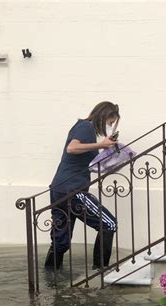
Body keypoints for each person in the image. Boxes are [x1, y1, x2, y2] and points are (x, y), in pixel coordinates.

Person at [45, 101, 119, 270]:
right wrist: (101, 145)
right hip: (72, 189)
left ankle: (51, 277)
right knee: (109, 224)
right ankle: (100, 271)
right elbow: (72, 148)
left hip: (59, 188)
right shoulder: (86, 127)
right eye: (110, 122)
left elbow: (81, 160)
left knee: (60, 241)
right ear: (103, 116)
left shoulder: (83, 128)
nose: (109, 126)